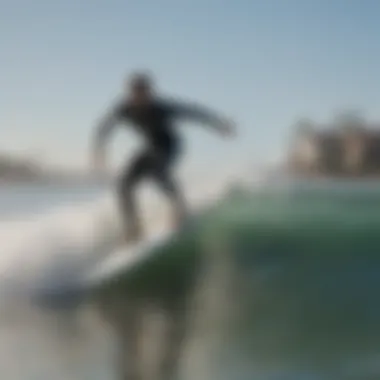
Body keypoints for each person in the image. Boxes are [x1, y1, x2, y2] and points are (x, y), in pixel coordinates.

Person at [92, 71, 236, 242]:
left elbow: (194, 113)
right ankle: (133, 228)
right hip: (149, 147)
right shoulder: (124, 109)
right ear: (130, 93)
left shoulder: (161, 108)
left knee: (157, 172)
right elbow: (105, 127)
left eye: (145, 93)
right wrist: (99, 150)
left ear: (150, 93)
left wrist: (219, 124)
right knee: (124, 184)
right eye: (137, 93)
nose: (141, 98)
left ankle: (180, 208)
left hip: (170, 146)